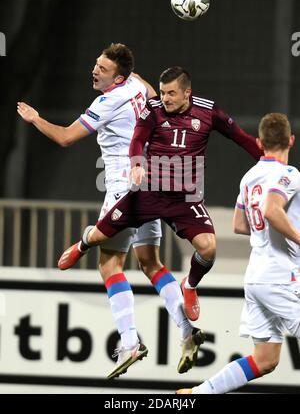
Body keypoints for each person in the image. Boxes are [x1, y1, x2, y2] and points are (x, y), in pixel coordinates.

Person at [17, 45, 202, 379]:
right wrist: (128, 72)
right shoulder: (134, 86)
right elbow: (146, 87)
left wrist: (36, 119)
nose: (94, 70)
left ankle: (130, 341)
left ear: (117, 76)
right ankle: (187, 331)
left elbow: (64, 138)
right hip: (154, 181)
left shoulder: (106, 102)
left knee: (109, 264)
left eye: (101, 68)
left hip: (123, 186)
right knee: (150, 262)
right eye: (95, 64)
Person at [58, 65, 262, 324]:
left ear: (187, 92)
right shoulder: (153, 109)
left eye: (171, 94)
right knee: (99, 235)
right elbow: (137, 139)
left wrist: (267, 160)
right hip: (148, 194)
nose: (164, 98)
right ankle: (82, 244)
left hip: (185, 200)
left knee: (208, 248)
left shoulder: (208, 111)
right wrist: (136, 163)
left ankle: (189, 285)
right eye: (163, 92)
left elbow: (241, 137)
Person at [177, 112, 300, 394]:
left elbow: (239, 225)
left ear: (259, 142)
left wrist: (269, 232)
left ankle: (199, 393)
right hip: (281, 278)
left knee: (265, 360)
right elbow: (271, 210)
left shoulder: (249, 177)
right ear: (291, 141)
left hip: (256, 280)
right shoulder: (289, 174)